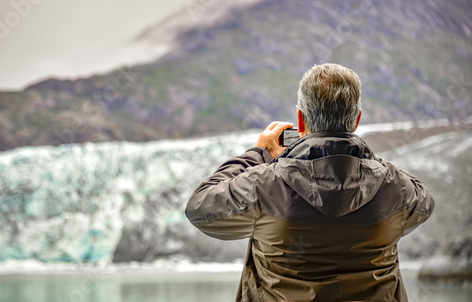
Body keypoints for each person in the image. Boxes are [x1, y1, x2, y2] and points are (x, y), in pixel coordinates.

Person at [185, 63, 434, 302]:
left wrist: (258, 153)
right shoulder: (395, 188)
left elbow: (199, 207)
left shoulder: (263, 185)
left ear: (300, 121)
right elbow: (424, 202)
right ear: (356, 121)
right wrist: (361, 158)